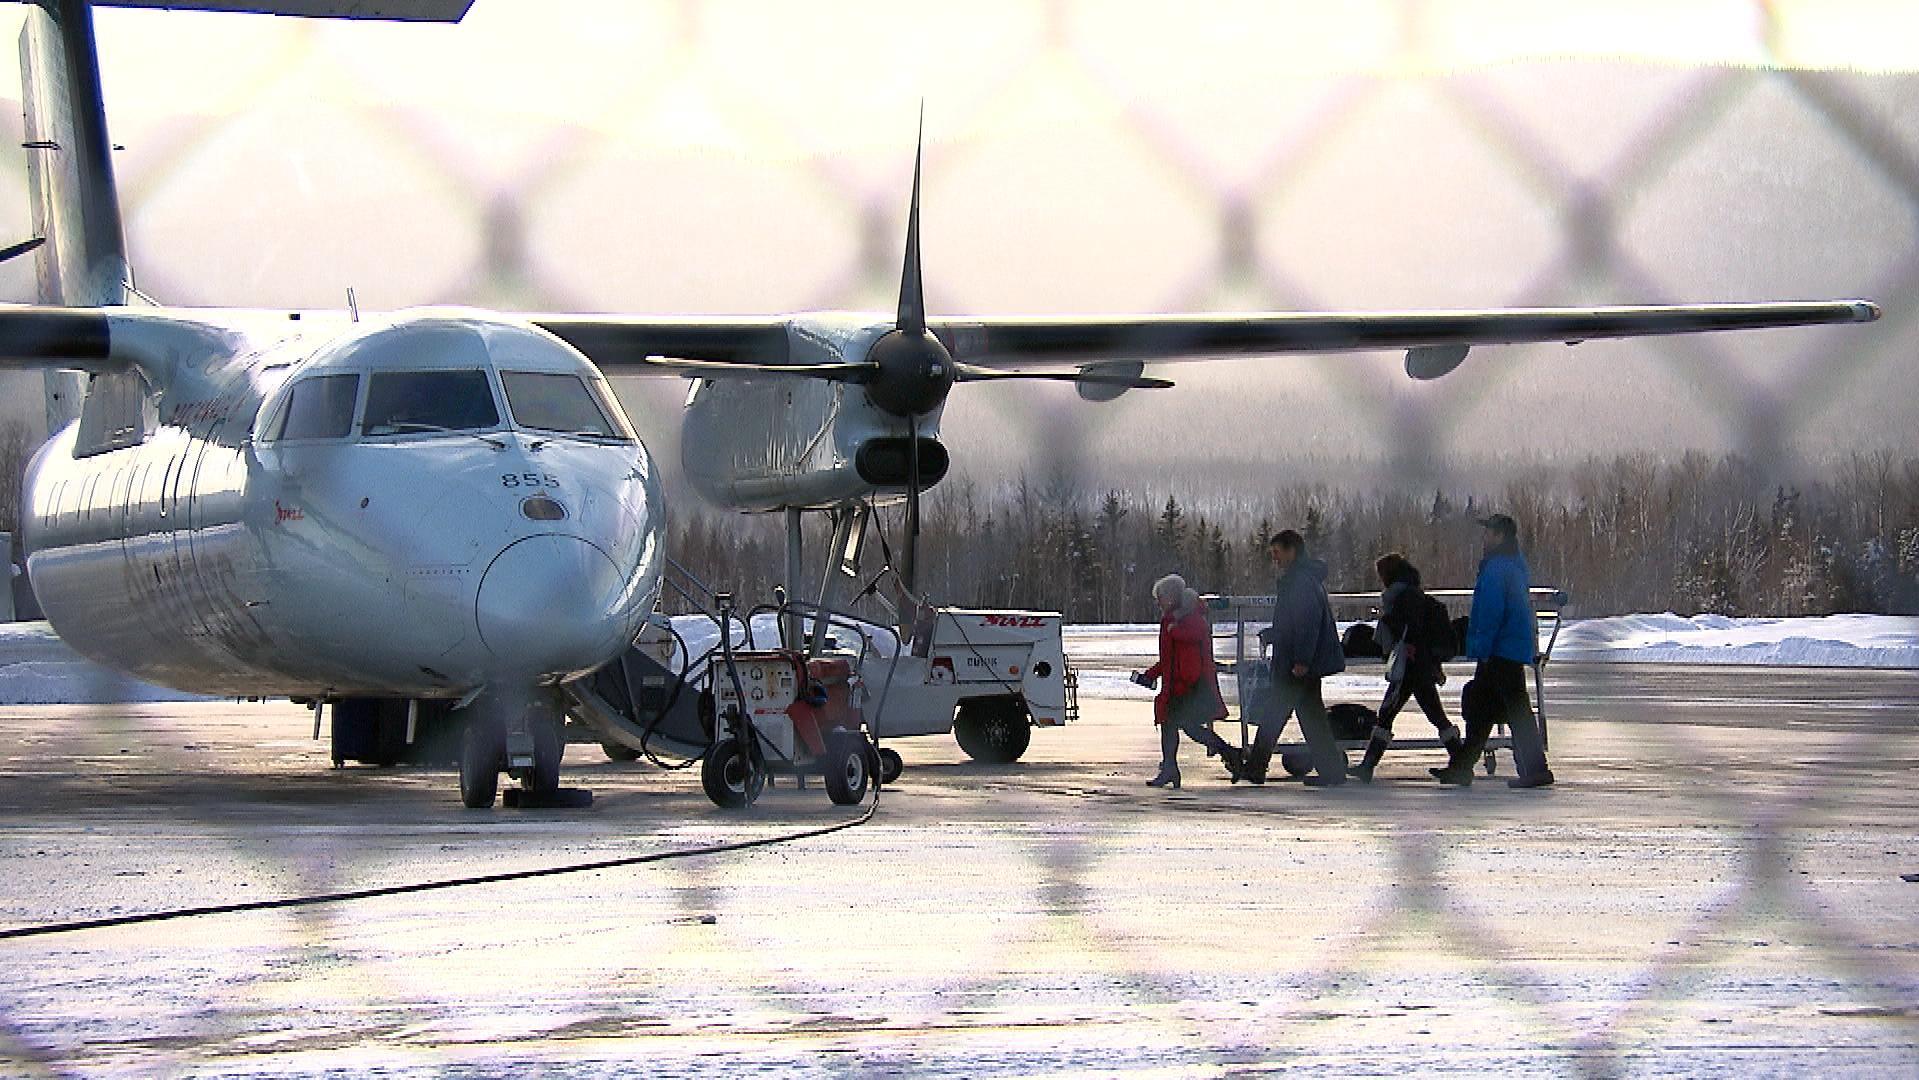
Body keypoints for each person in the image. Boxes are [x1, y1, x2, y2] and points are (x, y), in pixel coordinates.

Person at [1432, 513, 1554, 788]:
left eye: (1488, 532)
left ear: (1500, 536)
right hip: (1506, 647)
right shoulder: (1511, 565)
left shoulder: (1498, 569)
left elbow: (1490, 612)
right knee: (1482, 708)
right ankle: (1462, 766)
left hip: (1501, 650)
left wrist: (1483, 647)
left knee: (1516, 708)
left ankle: (1536, 769)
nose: (1484, 537)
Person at [1242, 530, 1347, 786]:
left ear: (1292, 551)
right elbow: (1296, 623)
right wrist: (1275, 634)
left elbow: (1305, 623)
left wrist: (1301, 660)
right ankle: (1331, 771)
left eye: (1277, 553)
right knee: (1310, 718)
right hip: (1299, 662)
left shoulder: (1299, 582)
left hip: (1296, 665)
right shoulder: (1305, 580)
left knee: (1277, 715)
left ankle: (1256, 767)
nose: (1275, 559)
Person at [1349, 552, 1462, 783]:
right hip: (1420, 665)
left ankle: (1368, 765)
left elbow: (1408, 627)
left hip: (1411, 666)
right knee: (1429, 714)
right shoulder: (1413, 593)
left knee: (1392, 713)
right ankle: (1461, 763)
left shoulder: (1402, 597)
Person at [1133, 574, 1243, 788]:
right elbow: (1169, 658)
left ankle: (1224, 755)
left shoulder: (1185, 620)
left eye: (1161, 597)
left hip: (1187, 688)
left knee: (1181, 725)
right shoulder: (1175, 620)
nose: (1159, 602)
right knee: (1175, 725)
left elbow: (1191, 650)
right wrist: (1152, 674)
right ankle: (1174, 767)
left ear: (1172, 596)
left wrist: (1183, 681)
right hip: (1180, 686)